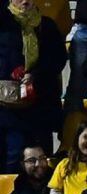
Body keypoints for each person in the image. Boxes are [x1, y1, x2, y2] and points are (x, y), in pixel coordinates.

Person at [0, 0, 66, 171]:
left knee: (42, 160)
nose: (25, 1)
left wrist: (35, 74)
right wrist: (12, 73)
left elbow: (58, 59)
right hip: (9, 108)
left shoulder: (47, 26)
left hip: (41, 104)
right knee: (13, 157)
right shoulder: (3, 23)